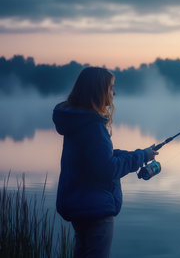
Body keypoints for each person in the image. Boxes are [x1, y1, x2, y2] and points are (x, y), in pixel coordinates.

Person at [53, 67, 158, 257]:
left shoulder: (77, 122)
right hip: (97, 210)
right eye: (111, 88)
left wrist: (138, 153)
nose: (114, 92)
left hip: (80, 207)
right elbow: (108, 169)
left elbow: (93, 158)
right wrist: (141, 156)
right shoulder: (93, 126)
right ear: (98, 91)